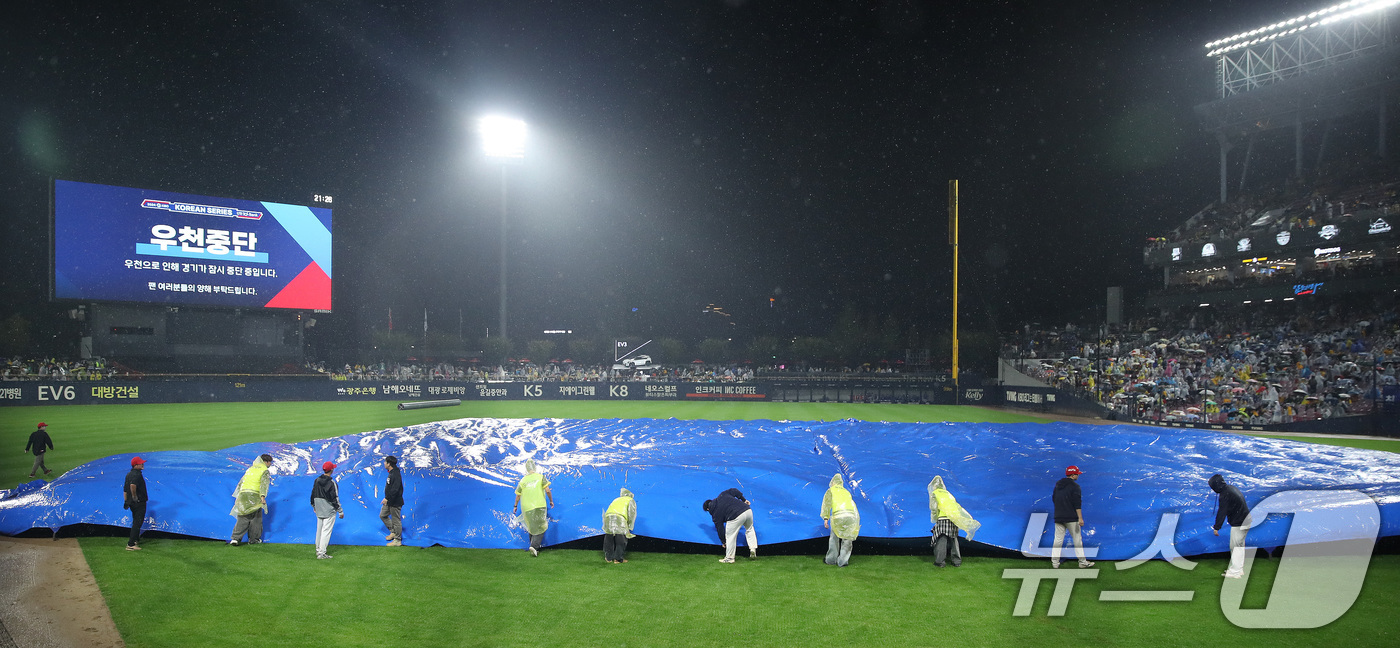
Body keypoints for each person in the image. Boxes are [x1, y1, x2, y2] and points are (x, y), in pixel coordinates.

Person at [928, 476, 980, 568]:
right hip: (953, 519)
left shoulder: (935, 494)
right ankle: (957, 561)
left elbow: (934, 508)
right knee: (954, 540)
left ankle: (940, 562)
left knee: (941, 540)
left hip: (942, 520)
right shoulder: (948, 494)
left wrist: (934, 518)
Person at [1050, 465, 1094, 568]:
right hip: (1071, 518)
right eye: (1077, 474)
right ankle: (1082, 562)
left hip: (1058, 516)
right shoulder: (1075, 487)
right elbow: (1077, 504)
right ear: (1073, 475)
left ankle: (1055, 563)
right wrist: (1080, 518)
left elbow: (1054, 499)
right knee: (1077, 539)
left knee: (1058, 540)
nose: (1078, 476)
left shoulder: (1058, 485)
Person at [1209, 473, 1252, 579]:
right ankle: (1239, 569)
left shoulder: (1225, 495)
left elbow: (1222, 512)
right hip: (1246, 520)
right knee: (1239, 546)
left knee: (1235, 546)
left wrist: (1216, 527)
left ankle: (1235, 572)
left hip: (1239, 523)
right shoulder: (1231, 488)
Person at [703, 488, 757, 563]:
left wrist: (723, 541)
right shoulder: (722, 495)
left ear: (708, 509)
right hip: (747, 510)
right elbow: (734, 490)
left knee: (730, 537)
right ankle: (752, 549)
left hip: (734, 515)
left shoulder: (715, 514)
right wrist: (744, 500)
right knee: (750, 529)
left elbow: (720, 529)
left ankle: (729, 558)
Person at [229, 454, 273, 546]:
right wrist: (262, 497)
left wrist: (238, 496)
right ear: (266, 462)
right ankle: (254, 539)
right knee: (256, 519)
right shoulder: (264, 471)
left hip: (243, 495)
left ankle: (235, 538)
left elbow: (241, 483)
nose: (270, 464)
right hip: (254, 495)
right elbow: (263, 485)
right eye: (270, 462)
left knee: (242, 517)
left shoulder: (250, 469)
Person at [512, 459, 553, 556]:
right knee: (540, 526)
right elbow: (547, 490)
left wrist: (515, 506)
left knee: (531, 526)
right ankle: (534, 546)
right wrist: (551, 500)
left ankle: (533, 547)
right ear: (535, 467)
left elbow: (518, 496)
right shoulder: (540, 477)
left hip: (526, 507)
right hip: (539, 506)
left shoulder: (523, 480)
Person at [821, 473, 860, 567]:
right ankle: (843, 561)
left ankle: (831, 559)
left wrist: (826, 519)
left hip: (838, 516)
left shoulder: (831, 490)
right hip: (851, 516)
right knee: (847, 539)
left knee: (834, 538)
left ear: (833, 482)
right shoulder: (846, 492)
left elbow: (826, 505)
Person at [310, 461, 344, 559]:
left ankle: (318, 550)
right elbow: (335, 498)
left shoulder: (317, 480)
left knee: (319, 530)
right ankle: (321, 553)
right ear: (332, 470)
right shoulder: (332, 483)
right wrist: (340, 511)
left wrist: (314, 506)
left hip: (319, 508)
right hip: (329, 510)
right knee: (326, 531)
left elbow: (313, 494)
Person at [602, 487, 636, 564]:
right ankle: (618, 559)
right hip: (620, 518)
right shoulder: (630, 500)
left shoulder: (616, 499)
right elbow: (631, 514)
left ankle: (608, 557)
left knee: (609, 537)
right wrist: (630, 526)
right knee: (621, 539)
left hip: (608, 517)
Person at [123, 456, 148, 551]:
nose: (142, 464)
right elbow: (132, 486)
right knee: (138, 522)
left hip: (132, 503)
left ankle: (136, 539)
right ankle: (131, 544)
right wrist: (134, 497)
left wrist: (126, 501)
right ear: (135, 465)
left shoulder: (128, 474)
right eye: (141, 463)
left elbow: (125, 490)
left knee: (136, 521)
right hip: (138, 502)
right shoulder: (136, 475)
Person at [380, 455, 404, 547]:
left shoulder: (396, 474)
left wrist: (387, 498)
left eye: (385, 462)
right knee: (383, 515)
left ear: (389, 464)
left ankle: (397, 540)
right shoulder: (391, 473)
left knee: (396, 520)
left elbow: (395, 489)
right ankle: (393, 532)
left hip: (395, 501)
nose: (384, 463)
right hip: (389, 501)